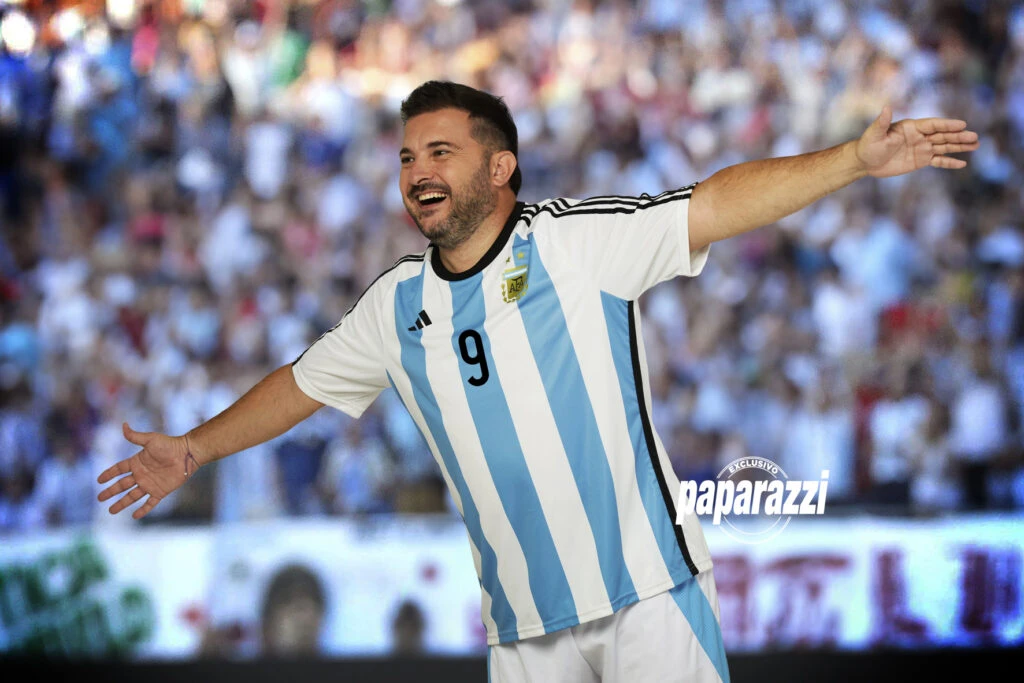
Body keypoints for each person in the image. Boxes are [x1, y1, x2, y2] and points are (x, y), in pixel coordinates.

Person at [97, 80, 978, 682]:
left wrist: (852, 161)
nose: (417, 173)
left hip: (648, 599)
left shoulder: (573, 240)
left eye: (440, 152)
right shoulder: (394, 306)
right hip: (521, 634)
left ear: (500, 167)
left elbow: (714, 202)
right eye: (406, 157)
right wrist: (194, 448)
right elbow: (300, 384)